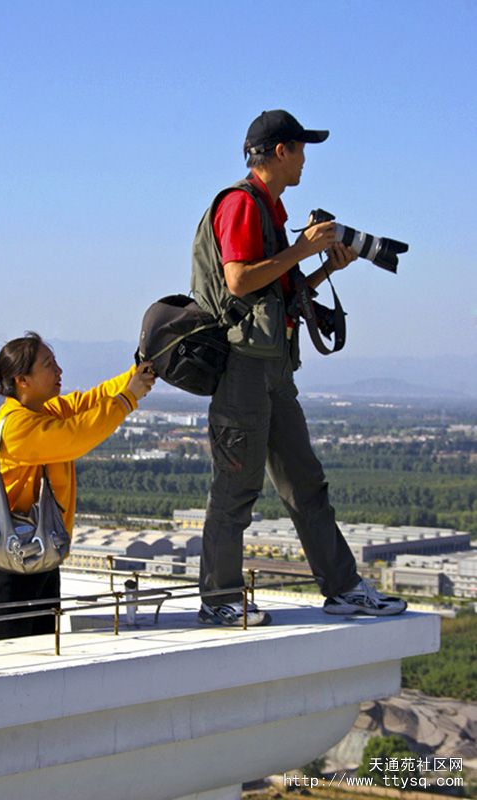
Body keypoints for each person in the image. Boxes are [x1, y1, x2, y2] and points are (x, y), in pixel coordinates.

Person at [191, 109, 407, 625]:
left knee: (306, 483)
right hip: (243, 370)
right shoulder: (241, 205)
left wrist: (323, 267)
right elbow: (241, 281)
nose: (306, 160)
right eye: (302, 149)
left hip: (273, 368)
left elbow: (279, 297)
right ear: (280, 151)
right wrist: (302, 249)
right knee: (236, 489)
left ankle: (344, 589)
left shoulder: (272, 213)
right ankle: (220, 599)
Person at [0, 331, 155, 641]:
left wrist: (135, 375)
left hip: (38, 555)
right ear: (23, 380)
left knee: (41, 657)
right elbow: (77, 434)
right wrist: (128, 399)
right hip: (7, 567)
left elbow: (93, 400)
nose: (59, 371)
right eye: (49, 365)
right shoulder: (17, 425)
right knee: (4, 665)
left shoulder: (45, 410)